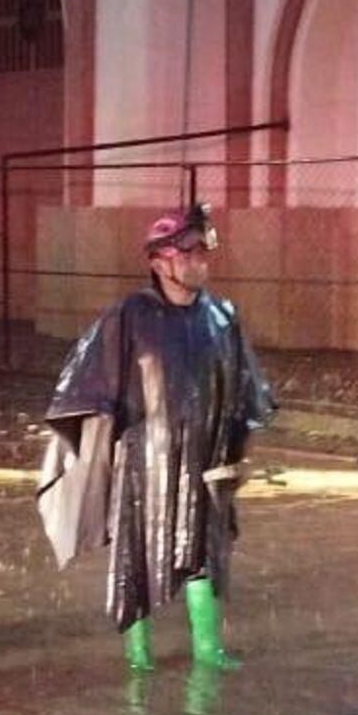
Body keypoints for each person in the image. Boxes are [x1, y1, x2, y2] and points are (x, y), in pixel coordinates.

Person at [38, 201, 275, 671]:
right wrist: (96, 449)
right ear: (159, 261)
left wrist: (240, 452)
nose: (199, 261)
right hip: (145, 464)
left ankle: (208, 649)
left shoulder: (221, 317)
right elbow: (91, 386)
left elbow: (245, 390)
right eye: (187, 253)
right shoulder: (130, 317)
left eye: (202, 252)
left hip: (206, 461)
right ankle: (139, 654)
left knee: (202, 553)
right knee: (138, 557)